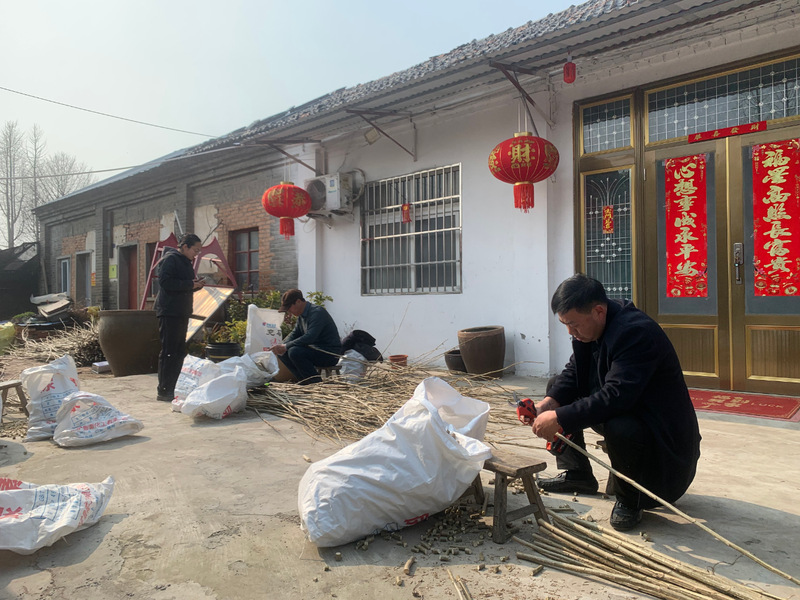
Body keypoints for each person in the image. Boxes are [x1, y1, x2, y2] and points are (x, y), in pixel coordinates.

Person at [529, 274, 701, 531]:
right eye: (565, 325)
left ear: (598, 311)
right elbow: (575, 372)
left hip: (662, 445)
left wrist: (561, 418)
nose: (570, 332)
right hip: (628, 412)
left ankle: (630, 500)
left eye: (574, 324)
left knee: (619, 424)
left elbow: (616, 397)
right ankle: (578, 475)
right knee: (556, 389)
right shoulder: (590, 330)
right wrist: (548, 404)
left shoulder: (635, 333)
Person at [154, 233, 205, 402]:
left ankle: (174, 387)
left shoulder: (185, 262)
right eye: (195, 250)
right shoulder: (171, 259)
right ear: (184, 247)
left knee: (178, 351)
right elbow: (165, 282)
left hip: (182, 311)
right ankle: (164, 390)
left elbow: (182, 285)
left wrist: (195, 285)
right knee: (169, 351)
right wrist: (190, 284)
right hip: (169, 312)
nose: (196, 254)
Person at [270, 289, 342, 385]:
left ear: (298, 301)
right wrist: (281, 346)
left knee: (295, 352)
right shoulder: (301, 316)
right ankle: (303, 381)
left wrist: (286, 346)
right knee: (283, 353)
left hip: (329, 353)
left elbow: (310, 337)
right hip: (315, 351)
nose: (289, 311)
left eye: (290, 307)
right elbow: (295, 334)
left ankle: (315, 382)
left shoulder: (317, 313)